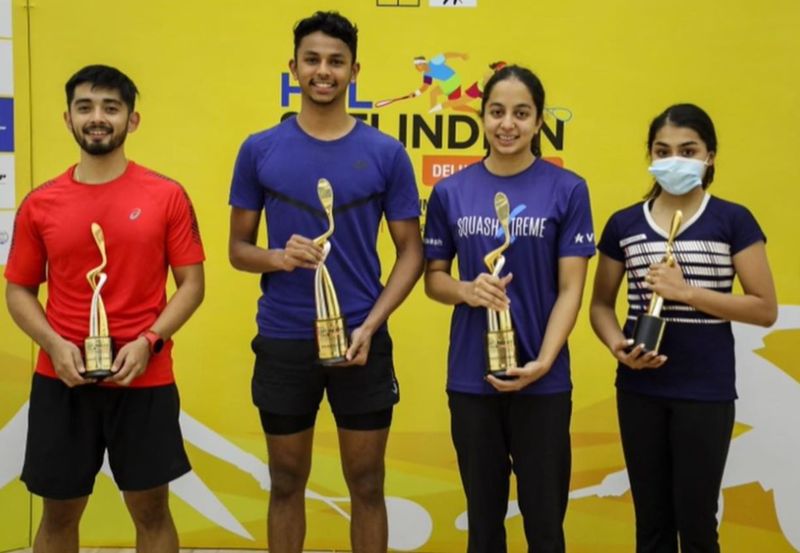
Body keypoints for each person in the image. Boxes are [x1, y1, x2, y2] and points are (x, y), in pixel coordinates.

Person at [227, 11, 423, 553]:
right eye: (312, 59)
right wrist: (277, 257)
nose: (323, 71)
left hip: (362, 340)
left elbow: (411, 253)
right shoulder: (259, 149)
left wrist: (373, 324)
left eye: (336, 61)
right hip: (285, 338)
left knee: (368, 483)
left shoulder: (387, 154)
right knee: (286, 482)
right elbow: (238, 251)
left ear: (354, 71)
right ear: (293, 67)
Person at [4, 64, 205, 553]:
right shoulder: (40, 204)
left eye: (111, 108)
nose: (98, 118)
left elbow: (192, 285)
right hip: (61, 379)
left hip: (145, 377)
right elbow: (18, 291)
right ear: (67, 119)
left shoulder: (166, 196)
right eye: (86, 107)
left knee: (152, 513)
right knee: (58, 516)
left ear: (131, 121)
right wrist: (54, 345)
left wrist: (148, 342)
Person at [590, 103, 777, 553]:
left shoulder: (732, 220)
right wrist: (618, 345)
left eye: (687, 149)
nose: (674, 159)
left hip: (705, 391)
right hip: (640, 389)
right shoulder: (625, 224)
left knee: (696, 523)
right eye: (663, 149)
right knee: (651, 524)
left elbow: (764, 308)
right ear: (651, 156)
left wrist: (686, 291)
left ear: (710, 155)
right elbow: (599, 304)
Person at [423, 65, 595, 553]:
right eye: (497, 112)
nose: (508, 124)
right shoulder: (451, 192)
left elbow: (571, 289)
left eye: (522, 114)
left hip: (544, 381)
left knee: (545, 525)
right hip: (471, 379)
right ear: (482, 117)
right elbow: (434, 279)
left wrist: (543, 361)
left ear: (539, 122)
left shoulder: (568, 190)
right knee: (483, 524)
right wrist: (465, 291)